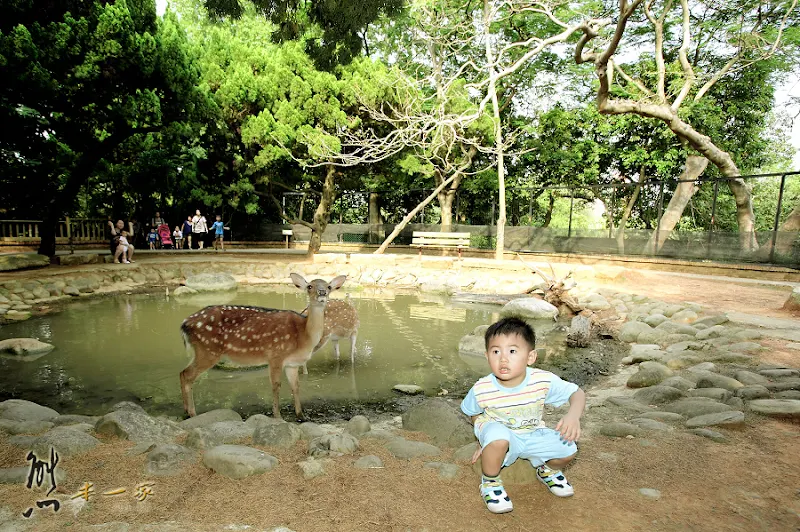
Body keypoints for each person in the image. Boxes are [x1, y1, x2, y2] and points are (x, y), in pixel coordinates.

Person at [461, 317, 585, 514]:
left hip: (532, 432)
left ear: (530, 357)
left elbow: (576, 393)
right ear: (486, 356)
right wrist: (482, 439)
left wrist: (573, 416)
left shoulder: (542, 380)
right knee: (498, 436)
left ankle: (547, 469)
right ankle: (490, 482)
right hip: (500, 434)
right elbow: (472, 412)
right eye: (495, 351)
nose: (503, 358)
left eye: (512, 351)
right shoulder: (482, 388)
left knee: (568, 449)